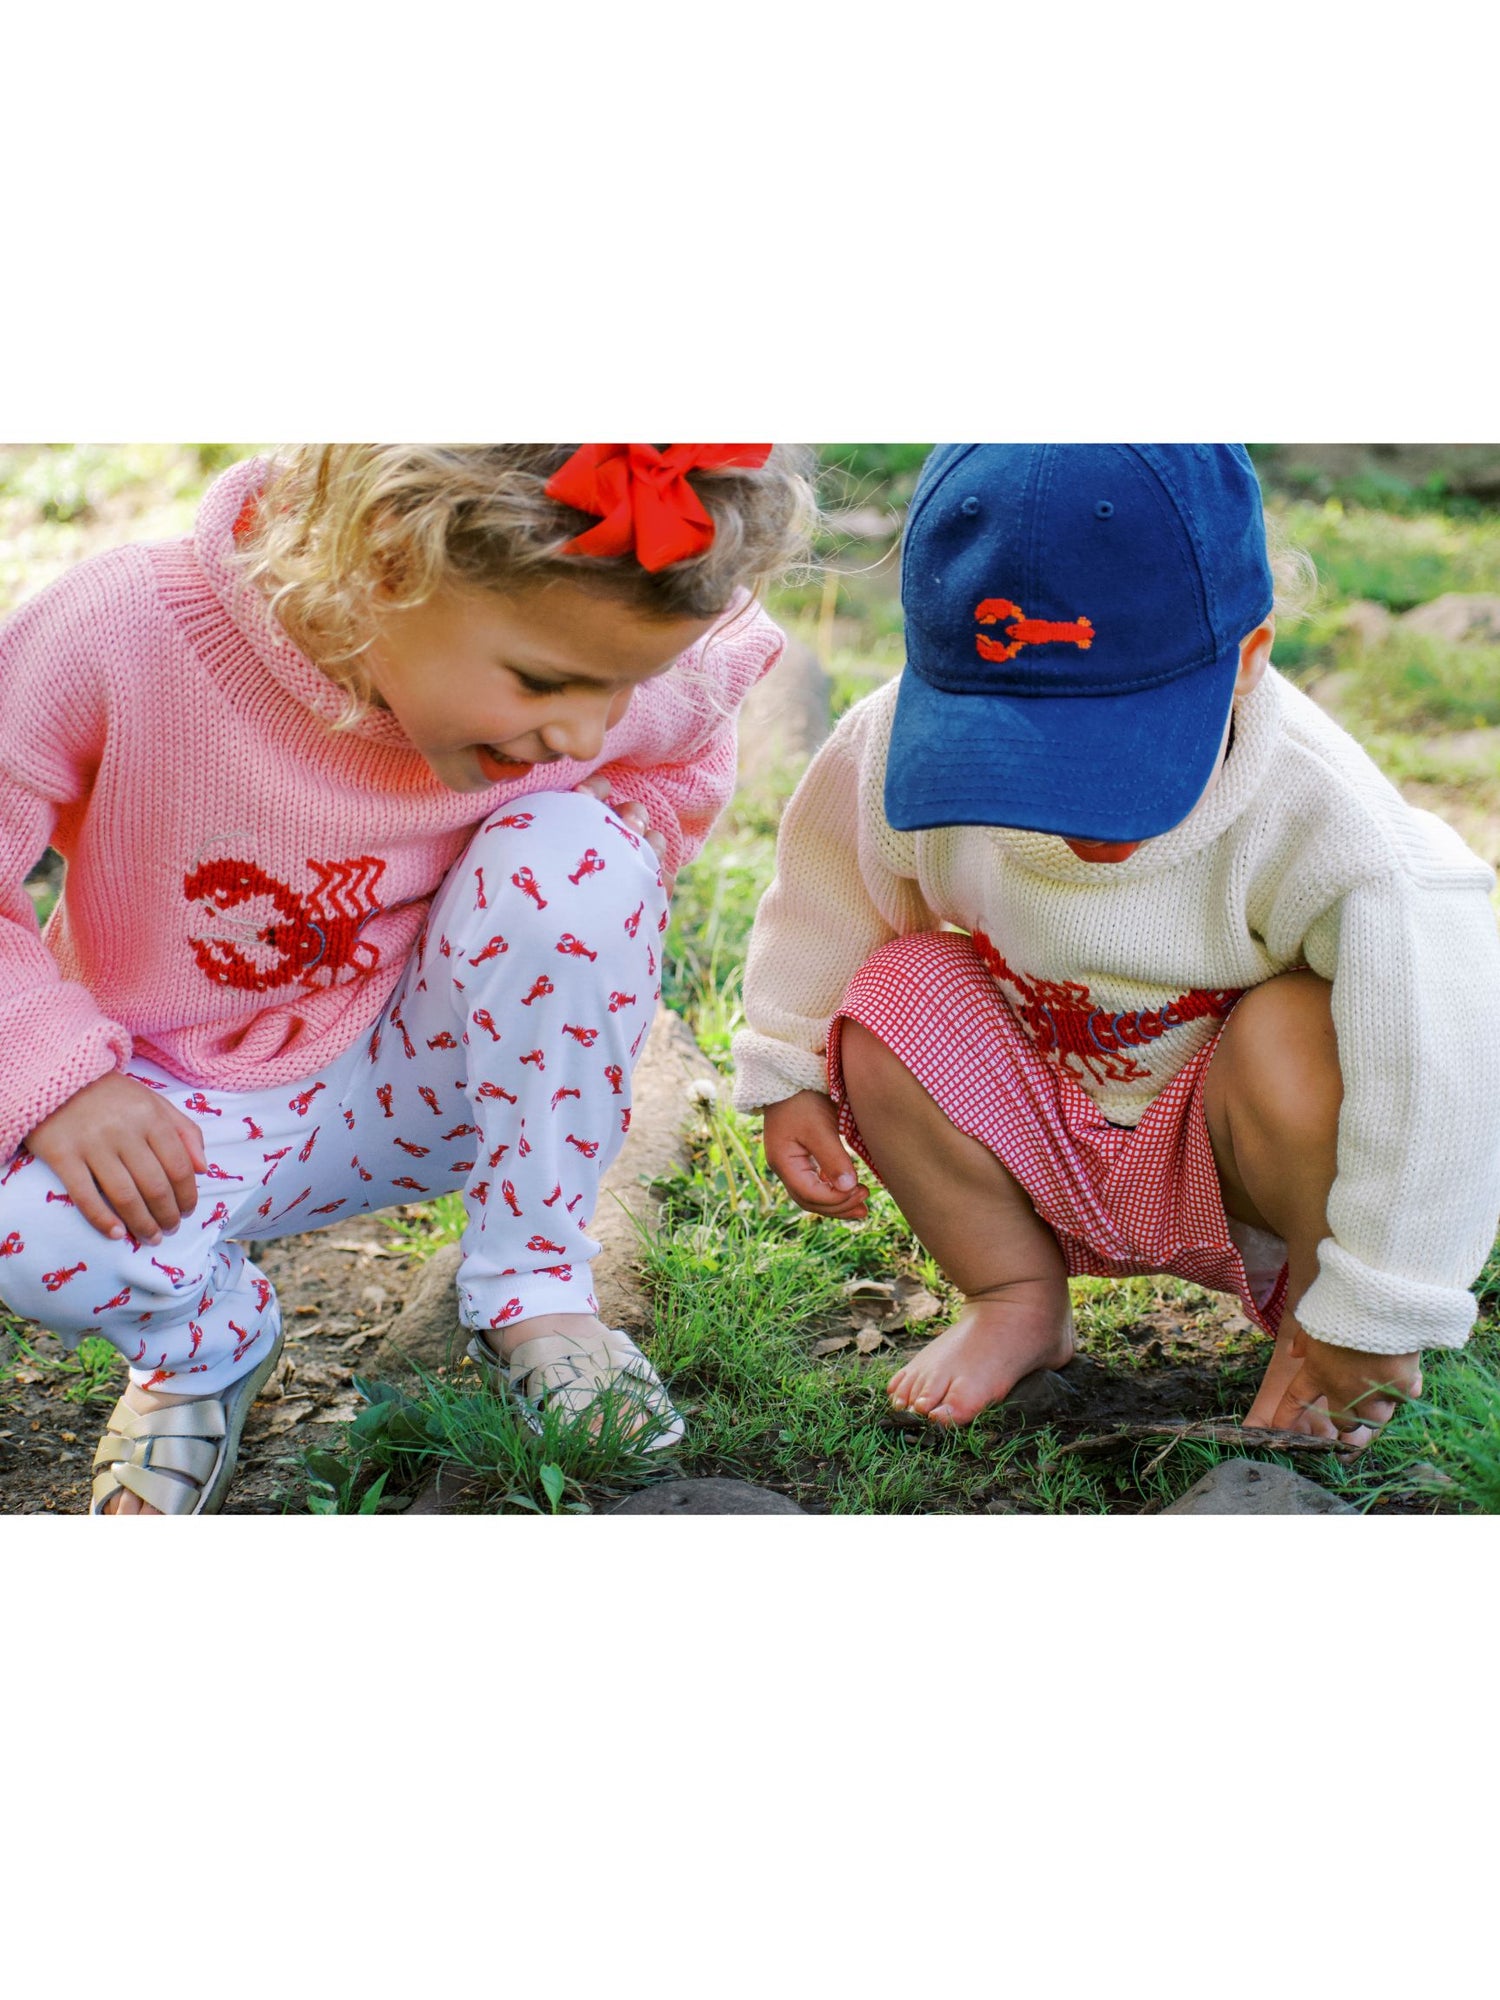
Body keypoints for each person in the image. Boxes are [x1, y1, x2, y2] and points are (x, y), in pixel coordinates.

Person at [0, 441, 815, 1513]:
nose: (582, 729)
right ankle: (208, 1345)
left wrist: (584, 886)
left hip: (437, 1079)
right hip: (174, 1115)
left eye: (624, 687)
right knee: (26, 1232)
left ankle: (535, 1283)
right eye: (543, 682)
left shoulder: (595, 633)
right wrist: (60, 1071)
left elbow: (683, 749)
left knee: (578, 852)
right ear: (386, 564)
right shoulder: (125, 631)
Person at [733, 443, 1500, 1452]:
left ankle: (1315, 1329)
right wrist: (786, 1061)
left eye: (1114, 759)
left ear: (1249, 656)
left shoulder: (1334, 828)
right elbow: (831, 886)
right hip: (1042, 1112)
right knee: (892, 993)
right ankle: (1013, 1290)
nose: (1071, 807)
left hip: (1235, 1145)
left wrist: (1384, 1301)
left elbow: (1438, 1056)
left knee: (1298, 1031)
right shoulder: (889, 747)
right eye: (1024, 756)